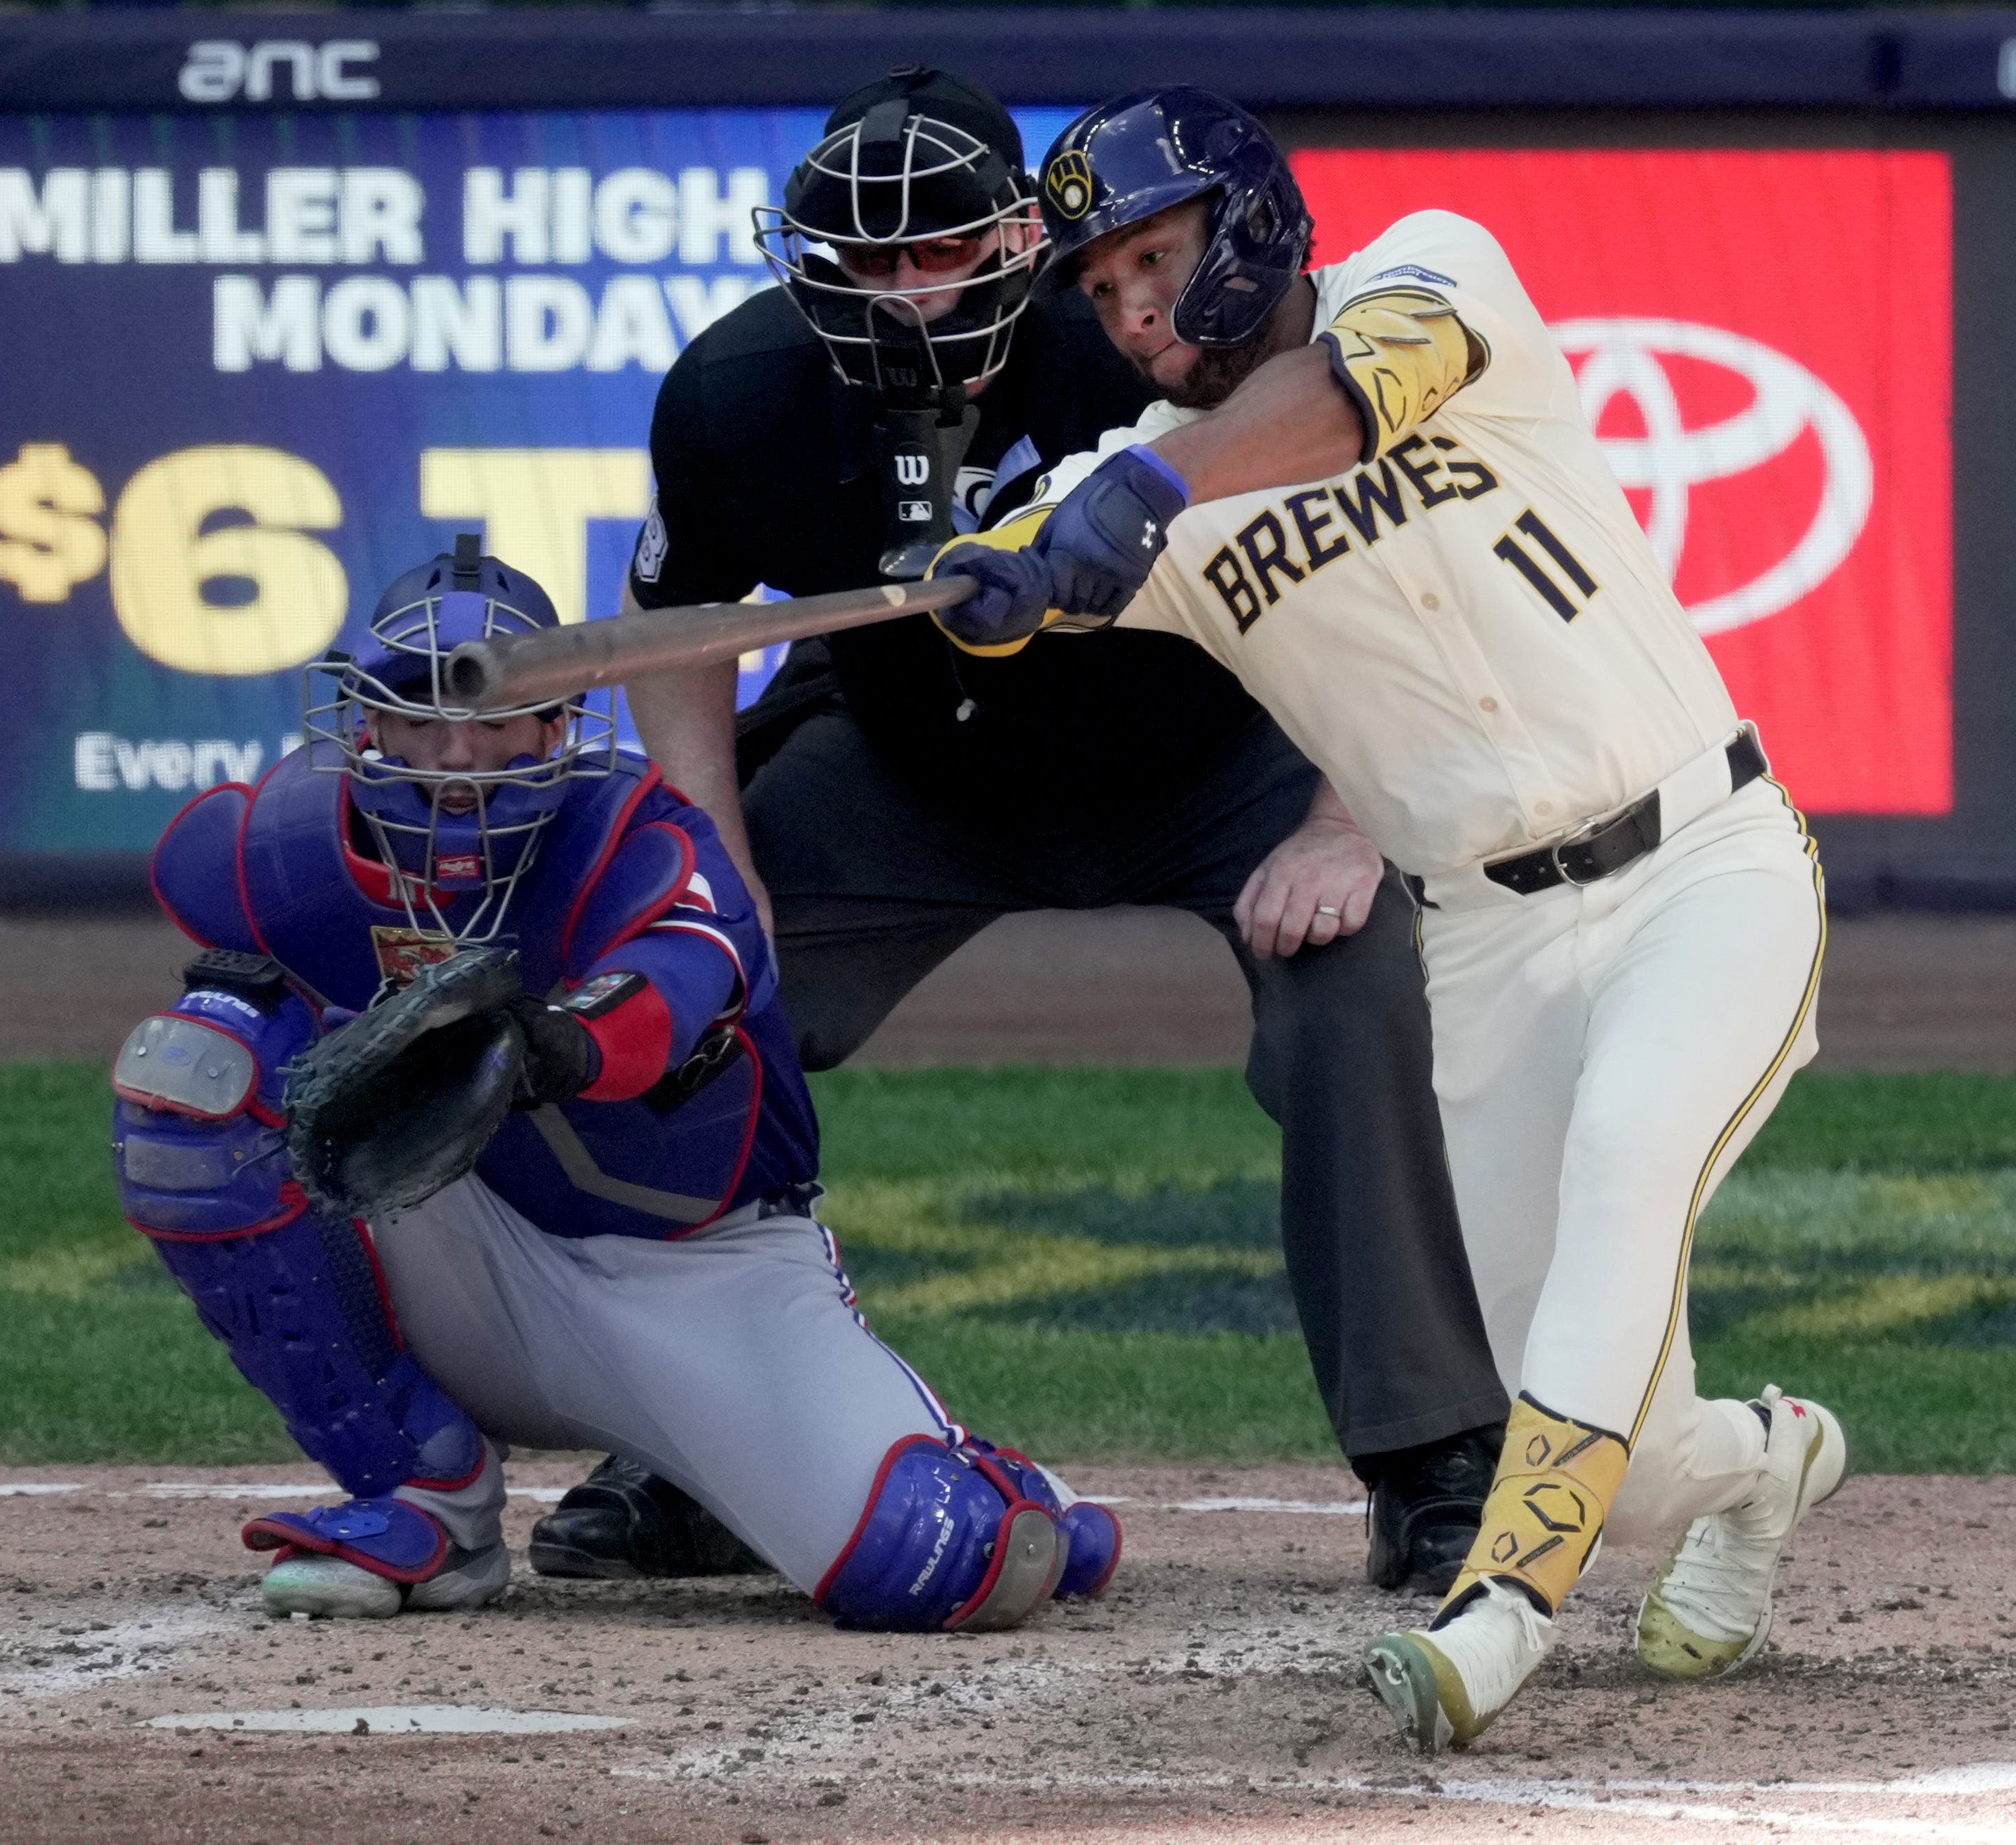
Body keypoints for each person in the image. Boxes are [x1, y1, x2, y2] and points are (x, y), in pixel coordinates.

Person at [932, 88, 1842, 1751]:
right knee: (1632, 1474)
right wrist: (989, 580)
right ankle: (1772, 1456)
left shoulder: (1433, 273)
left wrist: (1142, 494)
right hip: (1486, 951)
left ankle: (1500, 1604)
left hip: (1704, 860)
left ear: (1249, 217)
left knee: (1632, 1149)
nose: (1134, 312)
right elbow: (1017, 574)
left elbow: (1349, 402)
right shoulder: (1143, 485)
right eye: (1105, 290)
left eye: (1156, 256)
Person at [532, 63, 1511, 1597]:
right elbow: (682, 625)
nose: (906, 292)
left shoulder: (1165, 351)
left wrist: (1347, 819)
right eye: (868, 260)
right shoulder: (735, 393)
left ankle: (1437, 1450)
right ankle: (709, 1444)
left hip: (1227, 743)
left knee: (1360, 982)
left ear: (1029, 240)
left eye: (944, 251)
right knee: (685, 978)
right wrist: (715, 869)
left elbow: (1383, 559)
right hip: (908, 764)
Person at [118, 536, 1120, 1632]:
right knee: (198, 1069)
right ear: (367, 724)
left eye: (499, 713)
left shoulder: (640, 835)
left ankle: (976, 1473)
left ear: (557, 724)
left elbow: (680, 982)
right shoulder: (280, 854)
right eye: (422, 712)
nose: (460, 751)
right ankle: (419, 1492)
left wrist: (548, 1041)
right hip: (468, 1243)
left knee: (932, 1562)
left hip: (702, 1272)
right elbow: (241, 1027)